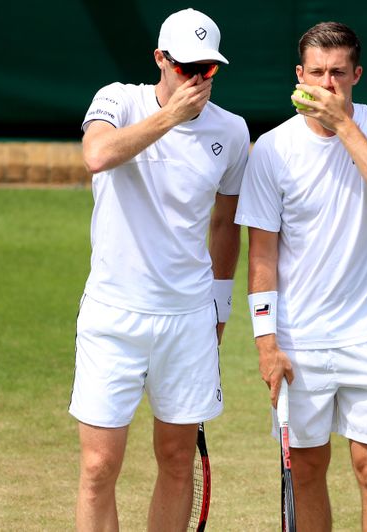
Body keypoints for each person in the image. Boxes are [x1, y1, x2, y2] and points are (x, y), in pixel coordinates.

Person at [235, 21, 367, 531]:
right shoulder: (270, 150)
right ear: (299, 75)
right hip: (300, 342)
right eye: (317, 72)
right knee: (308, 470)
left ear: (356, 75)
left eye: (339, 73)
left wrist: (344, 127)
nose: (328, 84)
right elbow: (262, 258)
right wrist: (265, 343)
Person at [68, 8, 248, 531]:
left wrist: (219, 305)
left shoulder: (232, 132)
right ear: (160, 61)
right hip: (111, 315)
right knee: (99, 466)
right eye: (185, 67)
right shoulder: (117, 100)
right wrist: (170, 117)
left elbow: (226, 223)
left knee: (175, 461)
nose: (195, 80)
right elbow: (96, 155)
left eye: (207, 70)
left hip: (188, 320)